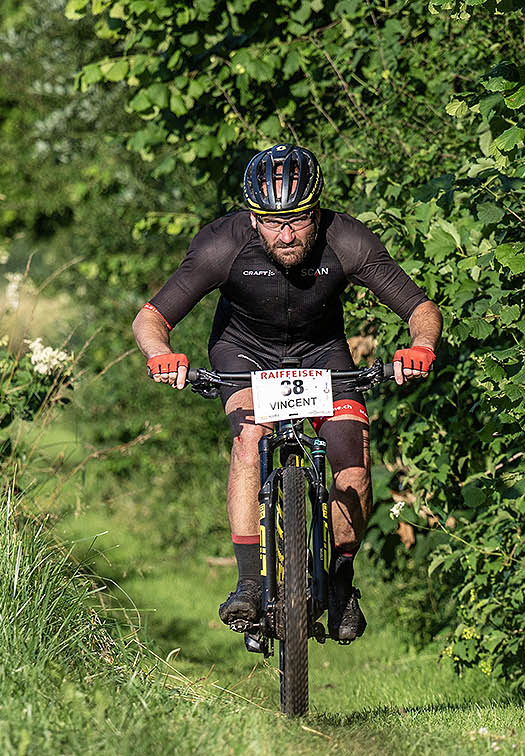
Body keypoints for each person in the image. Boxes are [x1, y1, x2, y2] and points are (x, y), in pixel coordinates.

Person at [132, 143, 442, 642]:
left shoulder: (348, 240)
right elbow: (151, 318)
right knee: (249, 441)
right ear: (253, 219)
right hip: (244, 354)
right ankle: (249, 583)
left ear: (316, 213)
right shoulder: (221, 244)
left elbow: (420, 308)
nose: (287, 234)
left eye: (298, 220)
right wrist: (160, 354)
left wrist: (421, 346)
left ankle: (341, 582)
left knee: (352, 456)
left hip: (322, 355)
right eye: (273, 222)